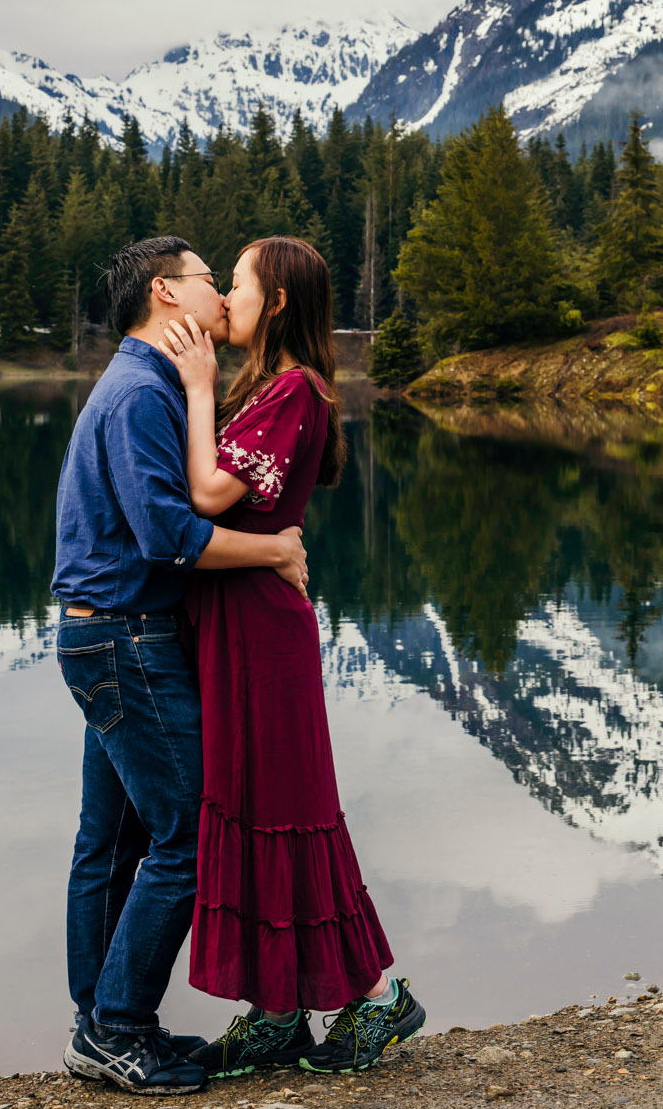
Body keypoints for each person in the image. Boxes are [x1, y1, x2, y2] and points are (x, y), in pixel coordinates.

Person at [152, 236, 427, 1080]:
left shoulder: (294, 392)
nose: (225, 299)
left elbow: (205, 496)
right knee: (243, 799)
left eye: (235, 284)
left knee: (287, 806)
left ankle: (377, 1000)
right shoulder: (267, 388)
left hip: (264, 633)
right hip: (235, 623)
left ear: (274, 302)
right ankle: (275, 1008)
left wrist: (196, 390)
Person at [53, 236, 310, 1096]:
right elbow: (172, 534)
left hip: (106, 637)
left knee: (114, 842)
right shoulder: (140, 394)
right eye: (211, 281)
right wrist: (273, 550)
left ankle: (102, 1025)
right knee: (187, 837)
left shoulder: (148, 386)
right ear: (167, 293)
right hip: (126, 641)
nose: (221, 297)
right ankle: (117, 1027)